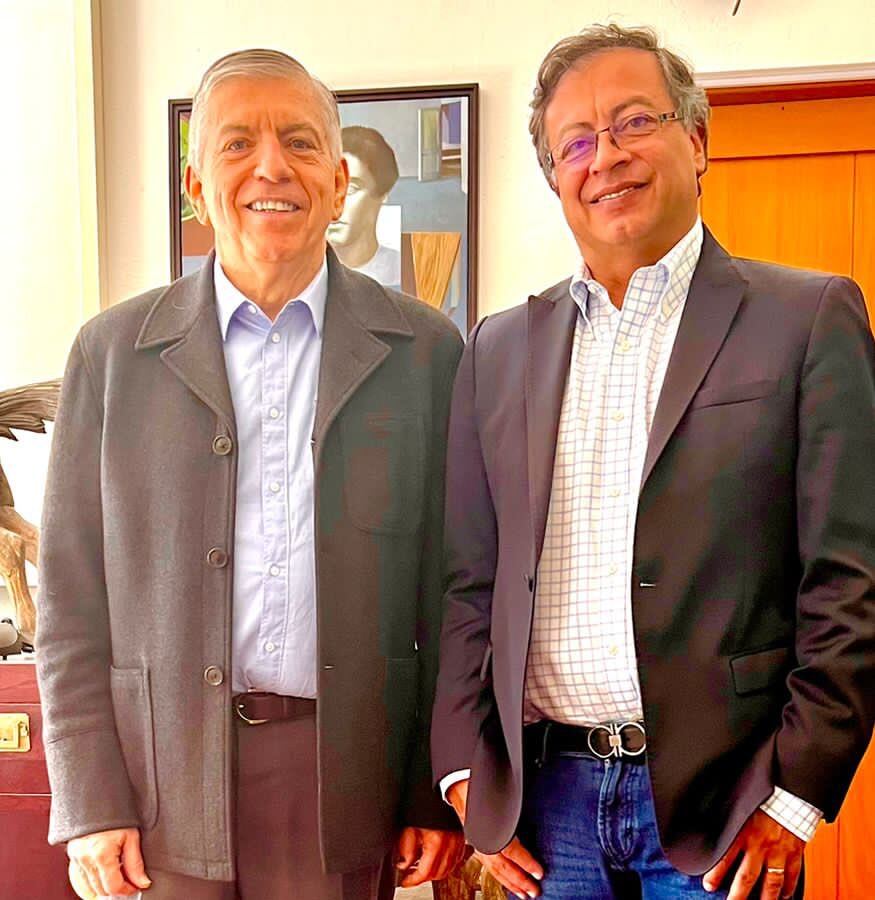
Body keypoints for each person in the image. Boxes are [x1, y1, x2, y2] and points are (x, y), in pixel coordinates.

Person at [431, 23, 875, 900]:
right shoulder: (497, 348)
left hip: (725, 799)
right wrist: (462, 775)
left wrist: (794, 795)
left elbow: (849, 577)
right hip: (544, 799)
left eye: (636, 122)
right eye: (577, 142)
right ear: (555, 176)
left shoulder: (807, 317)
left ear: (696, 139)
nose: (607, 157)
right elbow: (465, 582)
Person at [37, 48, 465, 900]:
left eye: (300, 143)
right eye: (237, 144)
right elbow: (71, 601)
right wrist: (88, 800)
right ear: (195, 185)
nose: (272, 165)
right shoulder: (113, 353)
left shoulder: (426, 352)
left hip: (344, 780)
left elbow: (453, 596)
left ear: (339, 183)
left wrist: (432, 785)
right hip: (162, 782)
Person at [329, 126, 402, 288]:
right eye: (330, 187)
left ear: (382, 195)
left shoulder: (402, 274)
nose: (334, 203)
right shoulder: (298, 278)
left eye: (351, 189)